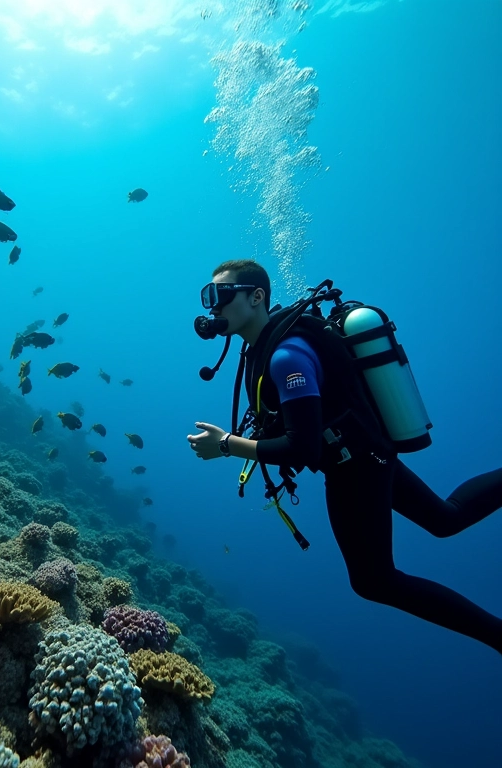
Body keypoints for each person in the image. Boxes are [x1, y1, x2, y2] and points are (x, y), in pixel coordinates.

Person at [188, 258, 502, 655]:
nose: (212, 308)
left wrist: (226, 445)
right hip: (366, 453)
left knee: (374, 580)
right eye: (207, 298)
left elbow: (301, 447)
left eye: (220, 296)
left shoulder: (285, 357)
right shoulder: (258, 352)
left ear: (256, 297)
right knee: (445, 517)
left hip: (355, 467)